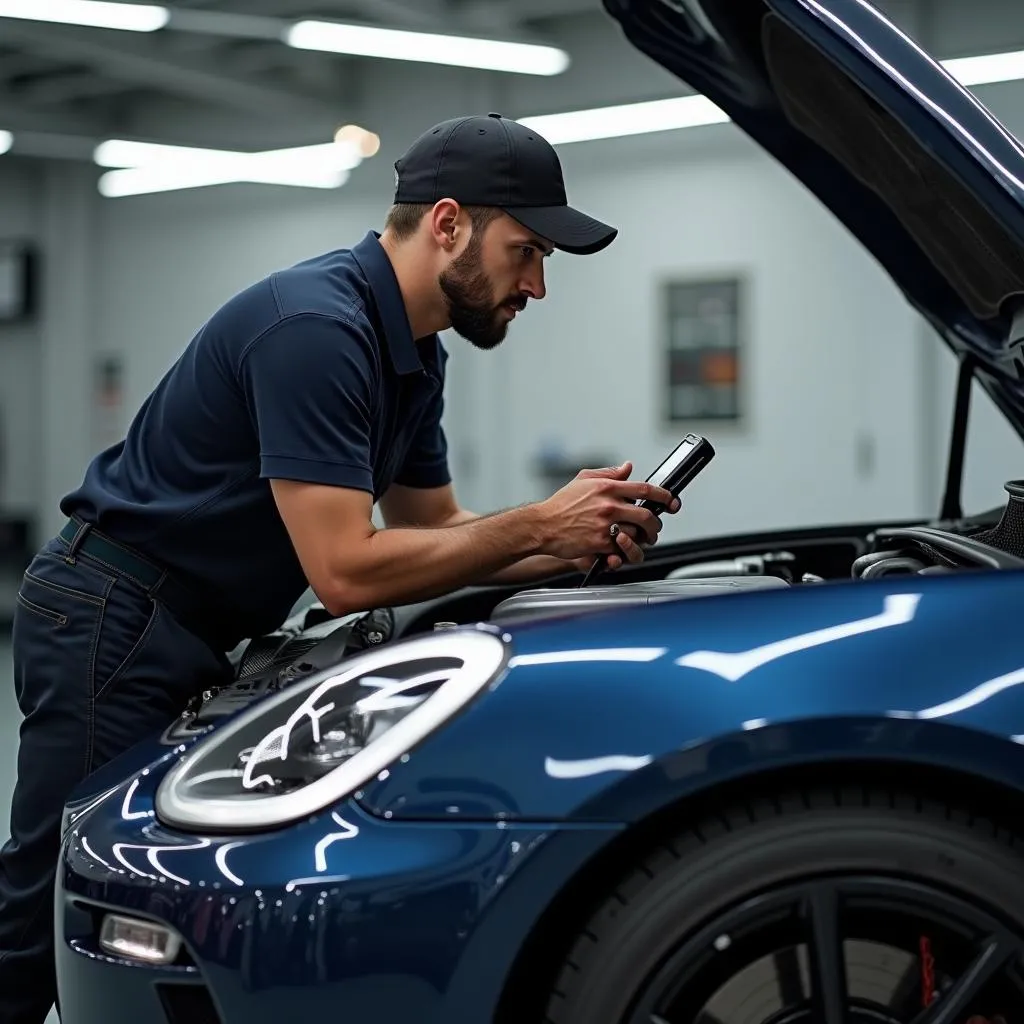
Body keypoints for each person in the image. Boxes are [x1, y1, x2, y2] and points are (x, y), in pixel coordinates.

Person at [0, 112, 680, 1022]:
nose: (538, 284)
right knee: (45, 896)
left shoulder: (414, 353)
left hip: (188, 622)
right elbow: (347, 573)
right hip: (111, 613)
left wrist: (562, 544)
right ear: (448, 225)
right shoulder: (315, 329)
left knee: (137, 888)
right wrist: (533, 525)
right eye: (526, 251)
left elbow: (432, 526)